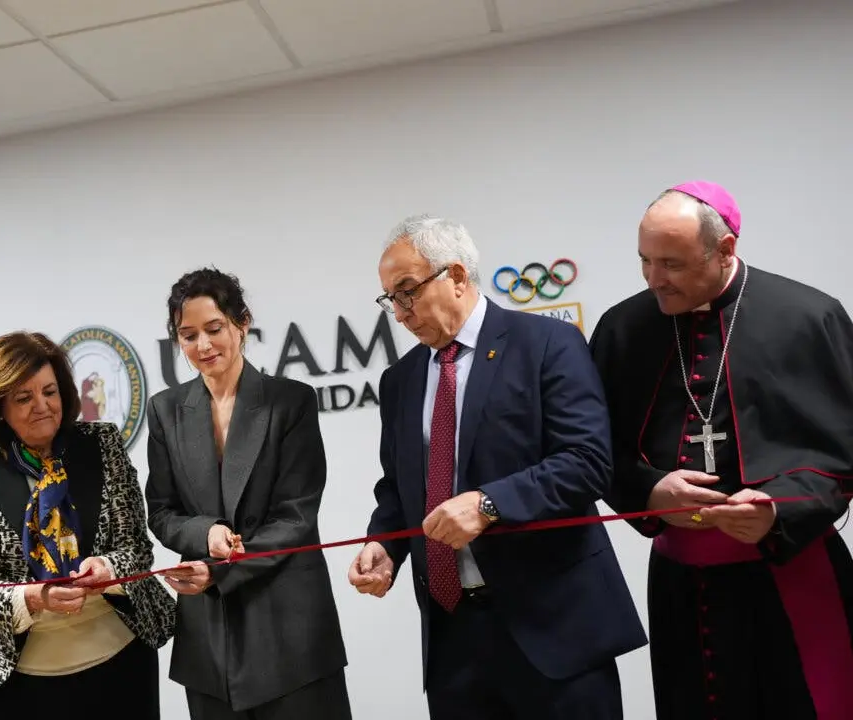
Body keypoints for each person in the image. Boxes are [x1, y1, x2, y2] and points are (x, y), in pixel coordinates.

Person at [347, 215, 647, 719]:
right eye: (389, 299)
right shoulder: (400, 380)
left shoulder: (547, 344)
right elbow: (399, 488)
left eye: (406, 292)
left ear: (457, 276)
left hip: (553, 630)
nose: (398, 314)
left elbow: (588, 463)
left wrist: (490, 504)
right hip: (453, 640)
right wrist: (385, 545)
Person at [589, 180, 853, 719]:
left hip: (794, 570)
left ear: (725, 249)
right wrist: (649, 490)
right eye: (645, 261)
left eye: (673, 264)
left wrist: (778, 509)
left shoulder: (810, 317)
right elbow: (595, 452)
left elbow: (844, 452)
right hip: (682, 584)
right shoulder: (622, 329)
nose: (653, 280)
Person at [145, 268, 353, 720]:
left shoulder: (290, 401)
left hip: (290, 632)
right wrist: (207, 535)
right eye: (188, 334)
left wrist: (219, 570)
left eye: (214, 329)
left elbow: (296, 517)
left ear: (243, 322)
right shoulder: (165, 410)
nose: (203, 346)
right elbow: (161, 512)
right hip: (209, 645)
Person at [0, 331, 175, 718]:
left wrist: (108, 568)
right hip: (25, 681)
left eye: (49, 392)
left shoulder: (101, 443)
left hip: (122, 663)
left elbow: (137, 548)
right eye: (24, 397)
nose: (42, 406)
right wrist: (36, 597)